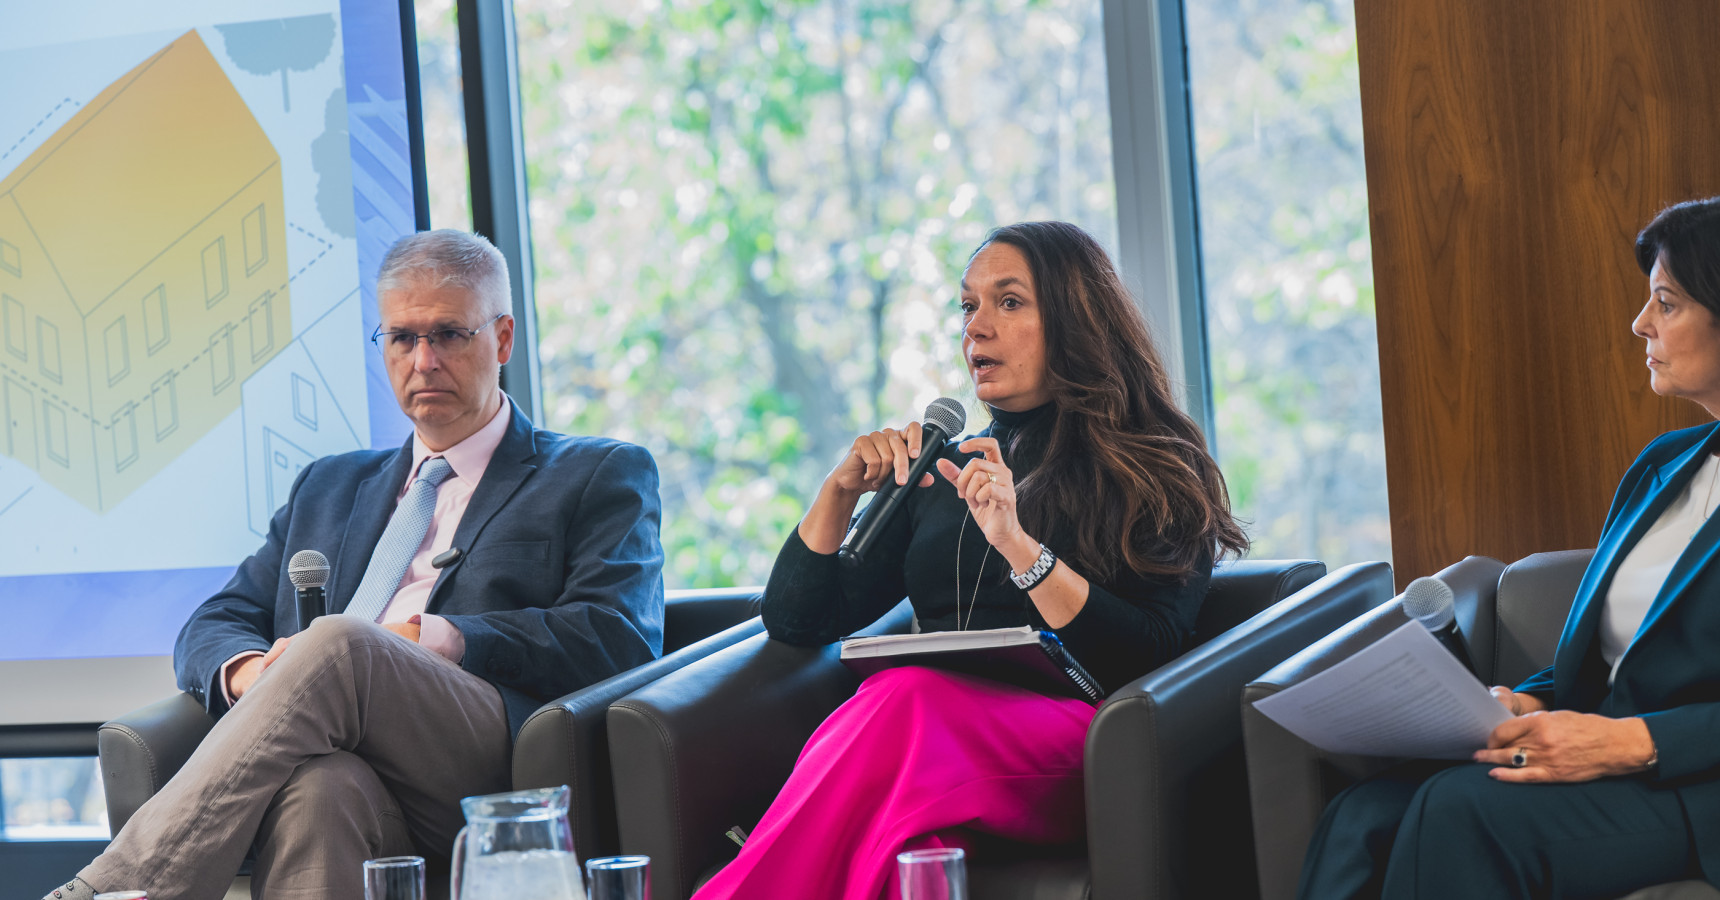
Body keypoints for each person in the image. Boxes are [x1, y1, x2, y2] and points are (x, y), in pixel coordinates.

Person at [44, 230, 665, 900]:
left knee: (341, 644)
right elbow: (217, 620)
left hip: (490, 760)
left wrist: (442, 639)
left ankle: (109, 892)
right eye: (402, 338)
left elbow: (617, 638)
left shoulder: (596, 474)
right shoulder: (330, 486)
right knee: (321, 790)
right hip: (346, 764)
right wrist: (259, 676)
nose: (422, 360)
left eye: (449, 334)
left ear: (504, 339)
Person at [693, 221, 1248, 900]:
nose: (974, 329)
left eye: (1008, 303)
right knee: (911, 854)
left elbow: (1147, 654)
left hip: (1086, 752)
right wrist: (836, 495)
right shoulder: (941, 469)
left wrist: (1018, 545)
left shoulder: (1158, 463)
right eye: (967, 305)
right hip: (923, 751)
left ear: (1075, 321)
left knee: (902, 696)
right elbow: (797, 620)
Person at [1297, 197, 1720, 899]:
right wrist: (1522, 703)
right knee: (1362, 815)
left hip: (1695, 785)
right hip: (1601, 751)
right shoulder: (1663, 466)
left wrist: (1631, 742)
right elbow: (1619, 660)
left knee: (1463, 812)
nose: (1639, 323)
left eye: (1666, 303)